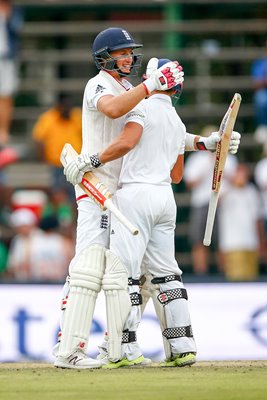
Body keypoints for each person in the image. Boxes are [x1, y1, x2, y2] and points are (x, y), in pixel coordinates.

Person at [54, 27, 240, 370]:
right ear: (104, 57)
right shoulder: (100, 85)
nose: (128, 58)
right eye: (121, 53)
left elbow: (149, 131)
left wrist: (207, 142)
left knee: (123, 274)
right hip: (96, 190)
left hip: (122, 192)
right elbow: (112, 110)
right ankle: (70, 350)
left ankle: (122, 347)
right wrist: (152, 87)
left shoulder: (134, 92)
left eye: (130, 53)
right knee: (88, 269)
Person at [183, 125, 239, 276]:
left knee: (224, 241)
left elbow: (236, 181)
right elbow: (190, 183)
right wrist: (209, 162)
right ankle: (201, 273)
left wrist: (219, 161)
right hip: (201, 203)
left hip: (224, 204)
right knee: (199, 240)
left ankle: (223, 273)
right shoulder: (197, 158)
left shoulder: (229, 157)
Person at [218, 163, 265, 281]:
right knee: (236, 282)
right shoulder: (226, 191)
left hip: (251, 244)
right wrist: (231, 183)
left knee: (251, 281)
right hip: (232, 245)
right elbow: (217, 202)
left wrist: (261, 243)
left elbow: (257, 220)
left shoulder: (252, 192)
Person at [32, 94, 83, 203]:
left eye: (69, 108)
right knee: (57, 192)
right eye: (65, 107)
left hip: (75, 164)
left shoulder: (76, 116)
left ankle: (73, 219)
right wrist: (42, 158)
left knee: (75, 194)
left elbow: (86, 136)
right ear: (59, 107)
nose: (67, 110)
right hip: (55, 164)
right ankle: (62, 217)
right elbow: (38, 139)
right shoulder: (48, 118)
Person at [6, 209, 74, 282]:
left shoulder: (30, 241)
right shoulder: (65, 242)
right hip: (54, 283)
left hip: (38, 283)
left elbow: (24, 266)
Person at [0, 0, 23, 146]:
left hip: (6, 58)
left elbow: (17, 27)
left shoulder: (14, 8)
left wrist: (7, 16)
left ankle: (3, 132)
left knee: (6, 95)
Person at [251, 39, 267, 146]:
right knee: (260, 98)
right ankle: (263, 126)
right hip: (264, 93)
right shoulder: (261, 63)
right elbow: (256, 84)